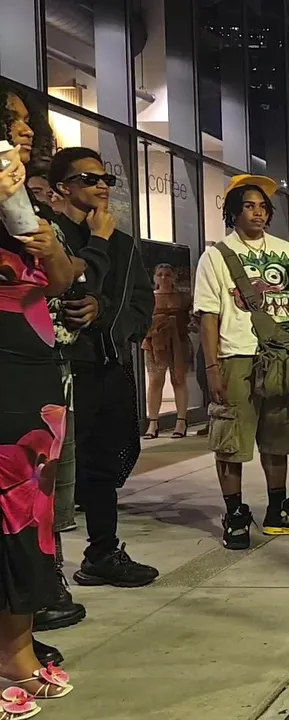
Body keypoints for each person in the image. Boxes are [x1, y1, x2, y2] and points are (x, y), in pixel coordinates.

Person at [193, 175, 289, 550]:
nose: (258, 212)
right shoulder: (216, 256)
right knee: (230, 439)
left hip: (279, 355)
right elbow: (208, 316)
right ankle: (235, 514)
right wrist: (212, 368)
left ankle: (278, 510)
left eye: (263, 207)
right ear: (233, 212)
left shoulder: (286, 251)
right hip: (236, 354)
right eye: (249, 206)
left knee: (279, 435)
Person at [49, 146, 158, 589]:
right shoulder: (52, 234)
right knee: (52, 472)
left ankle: (102, 553)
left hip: (108, 365)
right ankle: (48, 572)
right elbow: (61, 290)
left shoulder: (124, 244)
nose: (101, 186)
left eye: (106, 179)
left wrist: (104, 311)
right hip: (59, 368)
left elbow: (141, 308)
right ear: (62, 187)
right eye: (89, 179)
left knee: (102, 468)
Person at [0, 143, 77, 706]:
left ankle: (17, 648)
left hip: (36, 375)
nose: (19, 147)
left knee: (30, 514)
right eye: (12, 132)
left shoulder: (28, 210)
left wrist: (50, 250)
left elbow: (62, 282)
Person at [142, 264, 193, 439]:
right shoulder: (149, 297)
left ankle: (181, 421)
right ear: (155, 277)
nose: (163, 278)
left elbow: (192, 318)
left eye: (167, 274)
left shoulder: (183, 298)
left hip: (179, 342)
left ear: (174, 277)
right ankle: (153, 423)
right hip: (155, 343)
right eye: (160, 274)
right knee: (155, 381)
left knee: (179, 379)